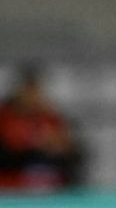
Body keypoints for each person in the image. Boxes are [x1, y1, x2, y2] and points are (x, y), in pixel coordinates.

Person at [0, 63, 83, 191]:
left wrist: (62, 148)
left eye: (36, 91)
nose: (33, 96)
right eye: (29, 91)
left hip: (49, 185)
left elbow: (71, 151)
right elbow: (7, 154)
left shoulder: (50, 118)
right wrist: (34, 146)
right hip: (11, 185)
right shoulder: (5, 117)